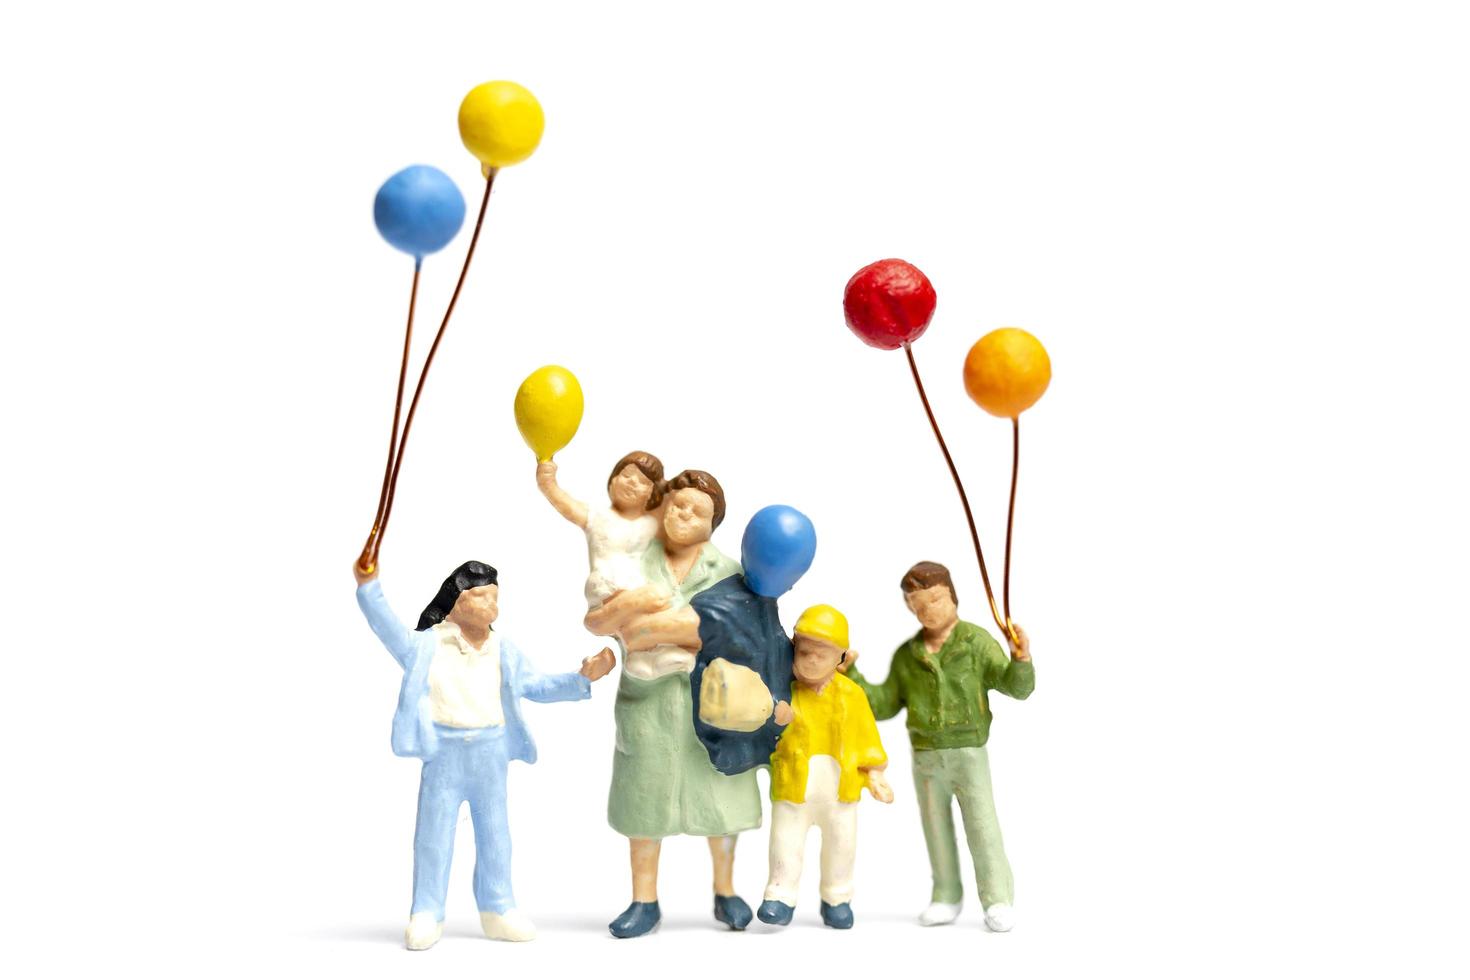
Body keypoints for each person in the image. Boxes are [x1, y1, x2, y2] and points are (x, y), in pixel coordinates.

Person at [354, 559, 614, 950]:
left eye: (495, 597)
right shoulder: (425, 646)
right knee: (433, 836)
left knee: (496, 835)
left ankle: (498, 908)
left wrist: (581, 679)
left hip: (490, 752)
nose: (491, 604)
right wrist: (368, 586)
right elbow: (387, 626)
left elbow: (535, 685)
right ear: (455, 602)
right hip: (444, 752)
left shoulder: (502, 650)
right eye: (480, 596)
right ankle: (427, 911)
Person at [584, 469, 764, 938]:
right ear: (661, 508)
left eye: (698, 511)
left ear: (713, 523)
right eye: (677, 505)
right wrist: (634, 616)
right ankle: (644, 900)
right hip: (648, 700)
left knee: (719, 800)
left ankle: (725, 890)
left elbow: (746, 633)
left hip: (716, 704)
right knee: (645, 801)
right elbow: (598, 621)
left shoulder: (729, 572)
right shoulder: (632, 560)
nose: (684, 514)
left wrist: (662, 630)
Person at [842, 561, 1034, 932]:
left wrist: (1020, 658)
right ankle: (946, 894)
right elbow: (882, 704)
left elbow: (1017, 687)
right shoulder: (906, 656)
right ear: (909, 608)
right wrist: (852, 676)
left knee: (982, 825)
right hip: (926, 755)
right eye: (917, 603)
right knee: (935, 827)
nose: (928, 609)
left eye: (935, 599)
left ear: (952, 596)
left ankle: (997, 898)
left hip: (969, 752)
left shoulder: (976, 643)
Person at [758, 604, 892, 929]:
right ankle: (780, 895)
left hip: (839, 787)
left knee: (841, 845)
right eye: (804, 650)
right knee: (785, 842)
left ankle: (837, 897)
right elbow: (760, 735)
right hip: (794, 784)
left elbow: (868, 739)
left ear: (842, 658)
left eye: (822, 653)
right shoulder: (781, 691)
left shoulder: (852, 695)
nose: (812, 659)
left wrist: (874, 774)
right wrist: (774, 724)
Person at [534, 450, 663, 609]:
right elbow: (561, 499)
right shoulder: (597, 516)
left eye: (643, 481)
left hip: (643, 595)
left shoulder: (654, 524)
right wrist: (547, 481)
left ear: (652, 492)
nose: (632, 482)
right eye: (627, 475)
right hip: (604, 589)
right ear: (613, 480)